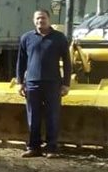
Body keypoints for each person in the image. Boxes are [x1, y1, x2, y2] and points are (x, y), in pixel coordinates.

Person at [17, 9, 71, 158]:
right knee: (33, 117)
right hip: (32, 83)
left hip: (53, 84)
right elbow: (21, 62)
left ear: (49, 19)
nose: (41, 21)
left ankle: (51, 148)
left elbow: (67, 62)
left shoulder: (59, 38)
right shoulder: (27, 38)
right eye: (38, 18)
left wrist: (66, 84)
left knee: (52, 116)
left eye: (43, 18)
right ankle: (33, 147)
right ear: (34, 20)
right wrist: (20, 82)